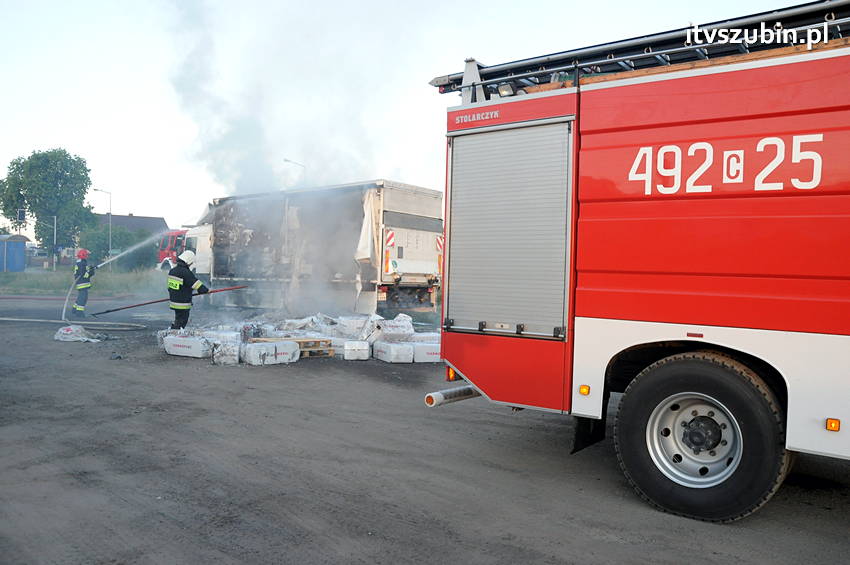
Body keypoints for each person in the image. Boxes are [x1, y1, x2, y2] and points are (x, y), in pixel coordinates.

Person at [167, 250, 209, 329]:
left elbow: (172, 287)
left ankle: (174, 331)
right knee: (182, 322)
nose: (191, 264)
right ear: (188, 261)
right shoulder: (186, 272)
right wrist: (205, 290)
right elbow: (197, 285)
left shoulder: (172, 271)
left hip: (174, 301)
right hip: (183, 303)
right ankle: (175, 335)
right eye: (191, 262)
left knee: (178, 319)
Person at [71, 249, 95, 318]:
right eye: (86, 255)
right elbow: (84, 274)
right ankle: (79, 312)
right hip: (82, 284)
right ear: (83, 255)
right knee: (83, 298)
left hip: (80, 283)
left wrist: (91, 269)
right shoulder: (82, 263)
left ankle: (74, 309)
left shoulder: (80, 262)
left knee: (80, 297)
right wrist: (91, 271)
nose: (87, 256)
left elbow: (85, 272)